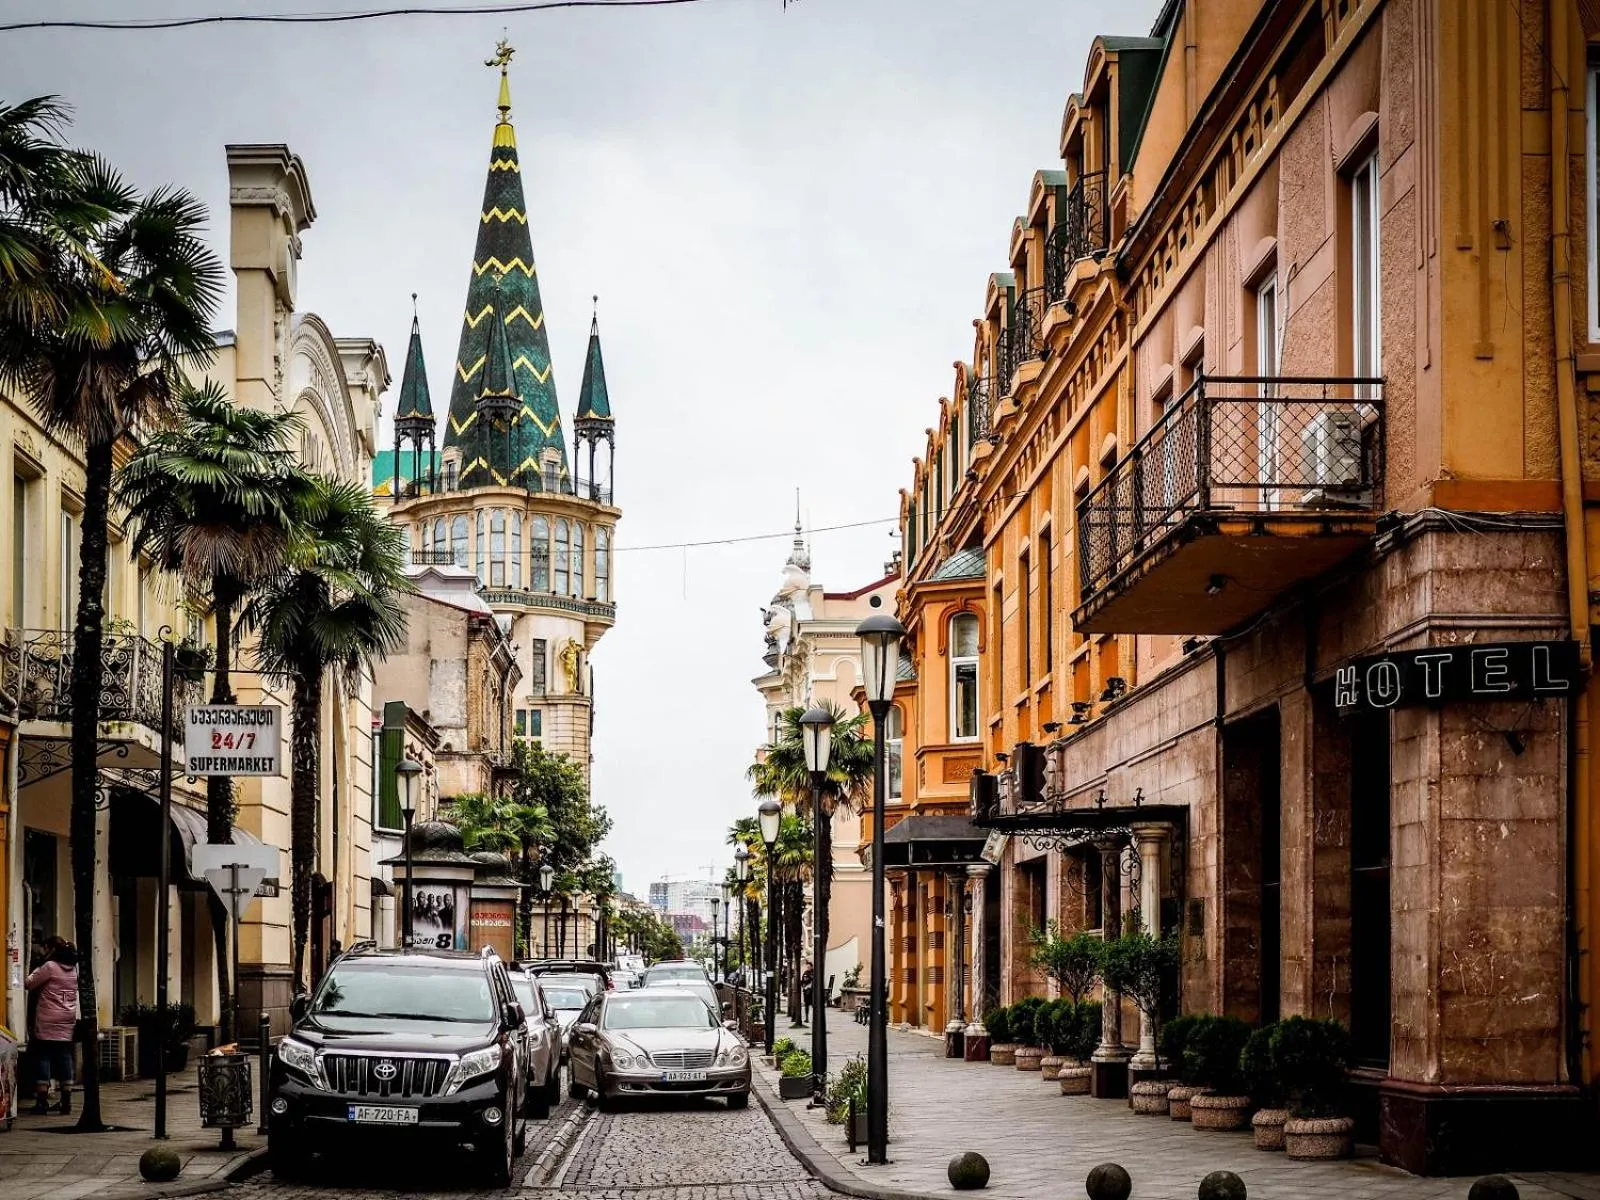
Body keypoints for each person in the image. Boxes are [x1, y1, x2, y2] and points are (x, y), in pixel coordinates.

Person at [25, 936, 78, 1115]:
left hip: (47, 1018)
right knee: (65, 1057)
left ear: (51, 949)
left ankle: (42, 1101)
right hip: (67, 1018)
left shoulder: (50, 967)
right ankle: (66, 1100)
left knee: (44, 1056)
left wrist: (35, 969)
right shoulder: (73, 969)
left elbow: (29, 983)